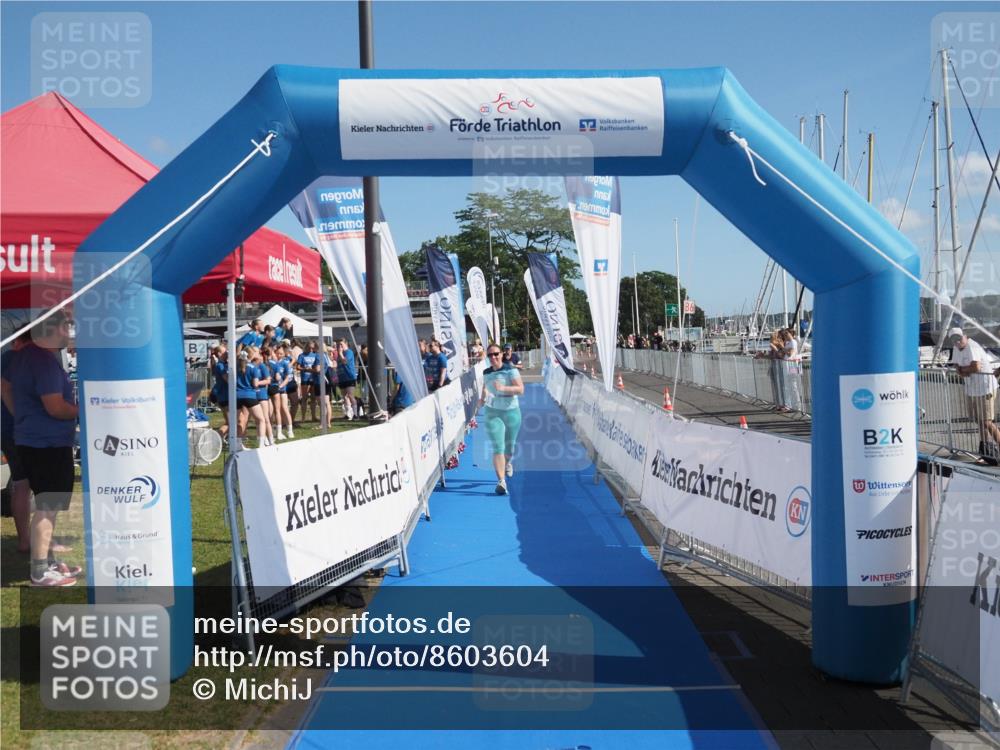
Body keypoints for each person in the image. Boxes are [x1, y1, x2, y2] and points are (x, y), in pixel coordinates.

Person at [6, 310, 82, 586]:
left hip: (34, 440)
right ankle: (40, 570)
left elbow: (7, 387)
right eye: (65, 327)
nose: (68, 333)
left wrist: (22, 417)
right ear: (51, 330)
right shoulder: (43, 361)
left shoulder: (24, 356)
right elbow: (55, 407)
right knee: (48, 507)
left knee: (47, 504)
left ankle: (48, 562)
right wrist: (83, 410)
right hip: (47, 443)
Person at [0, 330, 34, 554]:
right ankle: (28, 540)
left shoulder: (9, 358)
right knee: (26, 484)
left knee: (22, 483)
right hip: (19, 430)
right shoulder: (14, 359)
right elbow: (5, 387)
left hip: (11, 429)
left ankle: (27, 539)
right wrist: (20, 417)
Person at [949, 327, 1000, 464]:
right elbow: (956, 366)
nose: (957, 342)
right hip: (972, 389)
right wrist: (962, 370)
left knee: (986, 421)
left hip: (985, 388)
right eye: (954, 340)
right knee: (979, 420)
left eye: (959, 338)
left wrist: (963, 370)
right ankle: (986, 451)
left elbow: (976, 367)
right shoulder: (956, 348)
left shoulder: (972, 347)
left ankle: (995, 447)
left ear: (965, 336)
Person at [479, 345, 525, 495]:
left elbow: (520, 389)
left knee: (509, 447)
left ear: (501, 354)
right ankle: (501, 481)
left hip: (511, 411)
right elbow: (485, 387)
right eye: (490, 355)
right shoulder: (486, 372)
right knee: (498, 447)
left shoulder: (510, 369)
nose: (493, 357)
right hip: (493, 412)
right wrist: (482, 398)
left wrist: (503, 388)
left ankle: (508, 462)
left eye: (496, 354)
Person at [235, 349, 267, 449]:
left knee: (239, 421)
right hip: (250, 395)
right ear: (251, 355)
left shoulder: (235, 366)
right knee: (261, 420)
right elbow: (255, 384)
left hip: (237, 396)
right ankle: (261, 444)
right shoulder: (253, 368)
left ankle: (238, 444)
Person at [210, 344, 230, 442]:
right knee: (231, 423)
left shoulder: (224, 364)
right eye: (224, 352)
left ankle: (221, 438)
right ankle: (215, 438)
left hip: (224, 395)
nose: (227, 353)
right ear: (219, 353)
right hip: (224, 396)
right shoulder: (220, 365)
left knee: (230, 422)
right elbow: (227, 379)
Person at [336, 339, 359, 420]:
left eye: (341, 344)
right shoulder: (339, 355)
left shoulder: (349, 352)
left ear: (346, 344)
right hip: (342, 378)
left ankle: (355, 414)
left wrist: (340, 353)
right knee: (344, 397)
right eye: (338, 345)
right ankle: (348, 414)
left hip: (349, 377)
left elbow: (345, 361)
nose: (339, 346)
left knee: (350, 395)